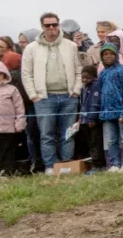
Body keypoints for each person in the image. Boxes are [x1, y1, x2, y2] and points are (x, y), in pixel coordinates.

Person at [21, 12, 83, 174]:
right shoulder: (31, 48)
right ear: (42, 27)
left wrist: (76, 90)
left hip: (68, 97)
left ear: (58, 25)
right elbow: (26, 74)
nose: (51, 28)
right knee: (46, 135)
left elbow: (79, 70)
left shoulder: (71, 46)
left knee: (68, 134)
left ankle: (66, 166)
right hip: (44, 98)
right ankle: (50, 167)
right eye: (47, 25)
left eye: (54, 24)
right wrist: (34, 95)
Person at [97, 44, 123, 172]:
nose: (108, 56)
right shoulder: (102, 74)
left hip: (122, 112)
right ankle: (114, 163)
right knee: (111, 140)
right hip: (107, 113)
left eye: (111, 54)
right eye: (105, 54)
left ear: (116, 55)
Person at [0, 61, 26, 176]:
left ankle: (5, 173)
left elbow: (19, 108)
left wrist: (19, 124)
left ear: (5, 75)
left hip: (8, 128)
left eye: (0, 73)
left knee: (7, 152)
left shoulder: (12, 89)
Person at [77, 65, 105, 172]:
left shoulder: (95, 86)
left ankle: (98, 165)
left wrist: (92, 118)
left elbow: (95, 104)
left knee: (95, 143)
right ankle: (94, 163)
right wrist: (81, 118)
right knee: (90, 143)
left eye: (87, 77)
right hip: (85, 120)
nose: (84, 80)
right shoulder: (84, 87)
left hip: (93, 121)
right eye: (83, 77)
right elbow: (83, 104)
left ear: (94, 77)